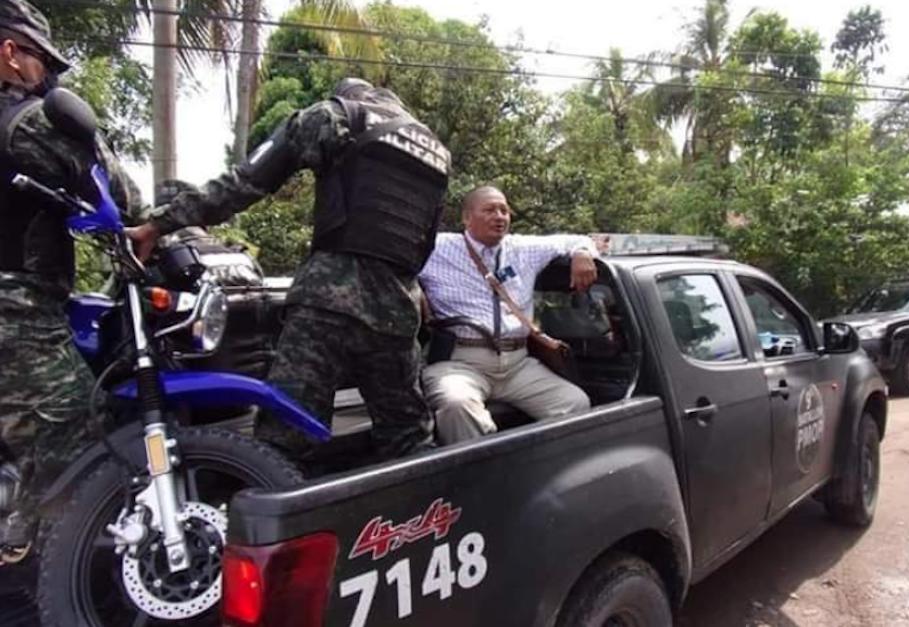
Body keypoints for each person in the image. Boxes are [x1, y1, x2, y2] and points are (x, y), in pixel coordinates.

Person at [127, 78, 451, 460]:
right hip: (397, 311)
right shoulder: (436, 152)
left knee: (286, 434)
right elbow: (423, 242)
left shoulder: (337, 116)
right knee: (409, 435)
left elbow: (244, 183)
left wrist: (158, 224)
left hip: (327, 304)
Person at [0, 0, 141, 554]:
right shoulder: (30, 122)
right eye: (43, 61)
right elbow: (119, 193)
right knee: (78, 422)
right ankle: (49, 559)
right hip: (16, 307)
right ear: (11, 53)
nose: (48, 76)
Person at [418, 186, 598, 444]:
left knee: (574, 403)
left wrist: (582, 253)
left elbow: (577, 240)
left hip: (517, 365)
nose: (499, 216)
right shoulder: (437, 247)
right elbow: (392, 258)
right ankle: (479, 468)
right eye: (490, 210)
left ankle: (540, 464)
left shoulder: (523, 248)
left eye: (504, 210)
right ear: (467, 218)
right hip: (460, 364)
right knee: (457, 404)